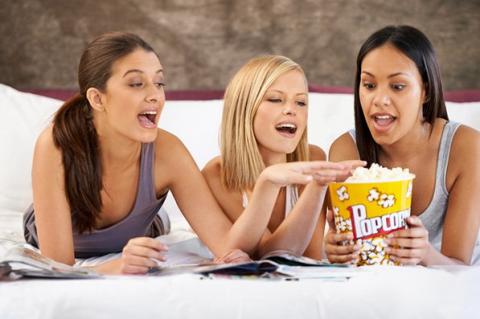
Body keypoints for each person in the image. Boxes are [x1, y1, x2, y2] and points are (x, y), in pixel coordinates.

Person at [23, 32, 353, 275]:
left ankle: (155, 220)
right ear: (97, 99)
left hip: (146, 228)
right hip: (55, 228)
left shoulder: (168, 152)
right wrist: (114, 266)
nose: (154, 96)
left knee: (160, 224)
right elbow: (58, 267)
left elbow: (231, 248)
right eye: (137, 84)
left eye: (159, 83)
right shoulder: (54, 144)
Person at [325, 25, 480, 266]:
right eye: (369, 85)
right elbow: (352, 259)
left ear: (425, 91)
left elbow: (460, 268)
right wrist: (337, 251)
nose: (379, 100)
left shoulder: (466, 147)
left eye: (397, 86)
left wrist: (424, 254)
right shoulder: (346, 151)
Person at [202, 55, 364, 259]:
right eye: (276, 99)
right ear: (244, 109)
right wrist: (268, 182)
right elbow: (260, 252)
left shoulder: (312, 158)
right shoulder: (218, 174)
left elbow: (310, 255)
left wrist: (318, 185)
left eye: (301, 102)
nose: (291, 110)